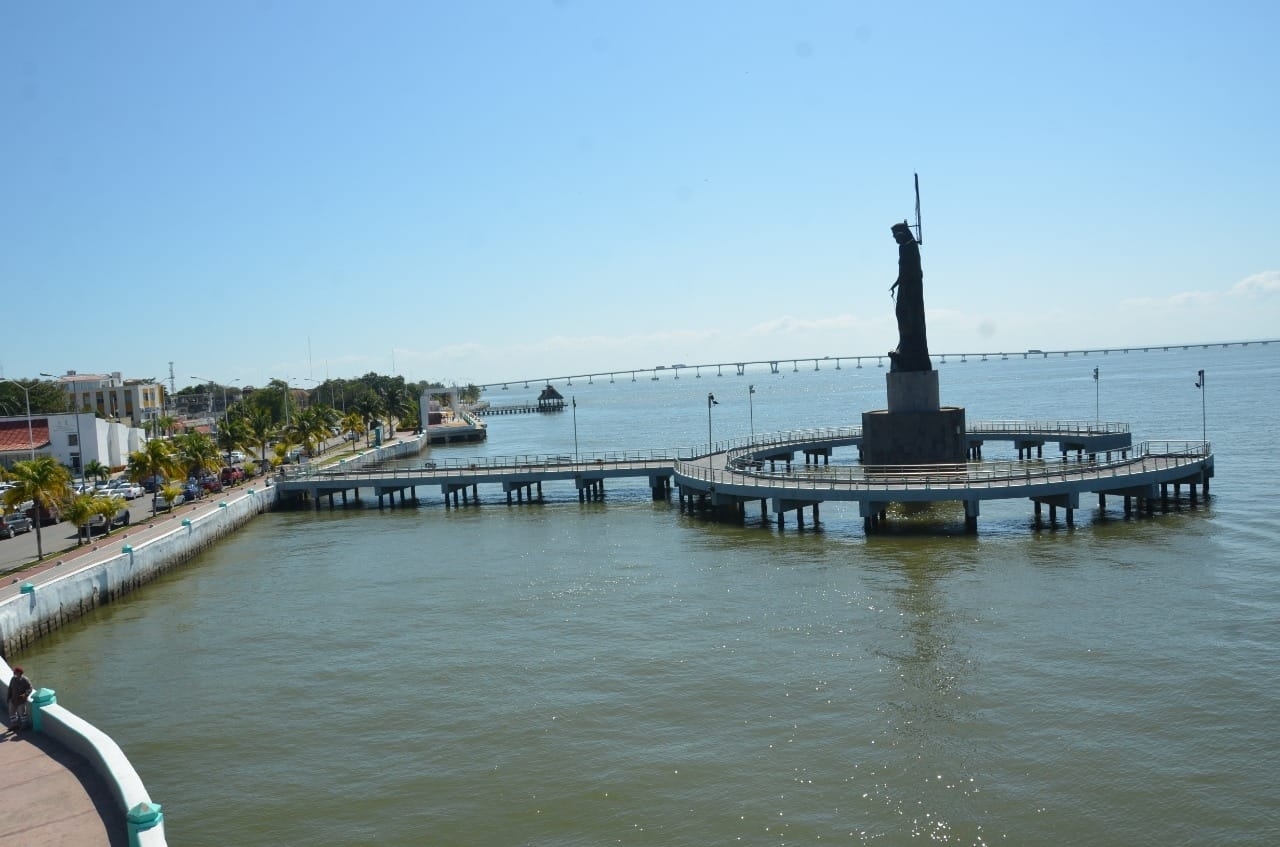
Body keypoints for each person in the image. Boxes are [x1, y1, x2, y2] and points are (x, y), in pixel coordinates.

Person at [8, 666, 32, 731]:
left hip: (21, 700)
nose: (14, 672)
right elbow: (10, 688)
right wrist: (8, 698)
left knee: (22, 713)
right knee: (12, 712)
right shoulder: (13, 679)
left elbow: (30, 688)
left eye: (15, 671)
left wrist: (25, 694)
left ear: (19, 672)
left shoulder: (25, 680)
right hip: (13, 699)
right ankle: (14, 725)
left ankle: (25, 725)